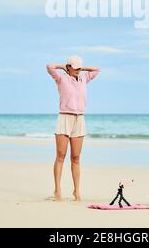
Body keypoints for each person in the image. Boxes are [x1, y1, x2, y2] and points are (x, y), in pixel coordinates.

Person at [46, 55, 100, 201]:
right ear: (68, 67)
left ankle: (77, 191)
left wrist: (81, 68)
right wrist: (63, 67)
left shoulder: (84, 78)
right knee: (60, 156)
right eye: (75, 67)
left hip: (79, 119)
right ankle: (57, 191)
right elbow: (49, 66)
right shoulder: (61, 78)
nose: (78, 70)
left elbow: (97, 69)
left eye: (79, 68)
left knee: (76, 158)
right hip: (65, 118)